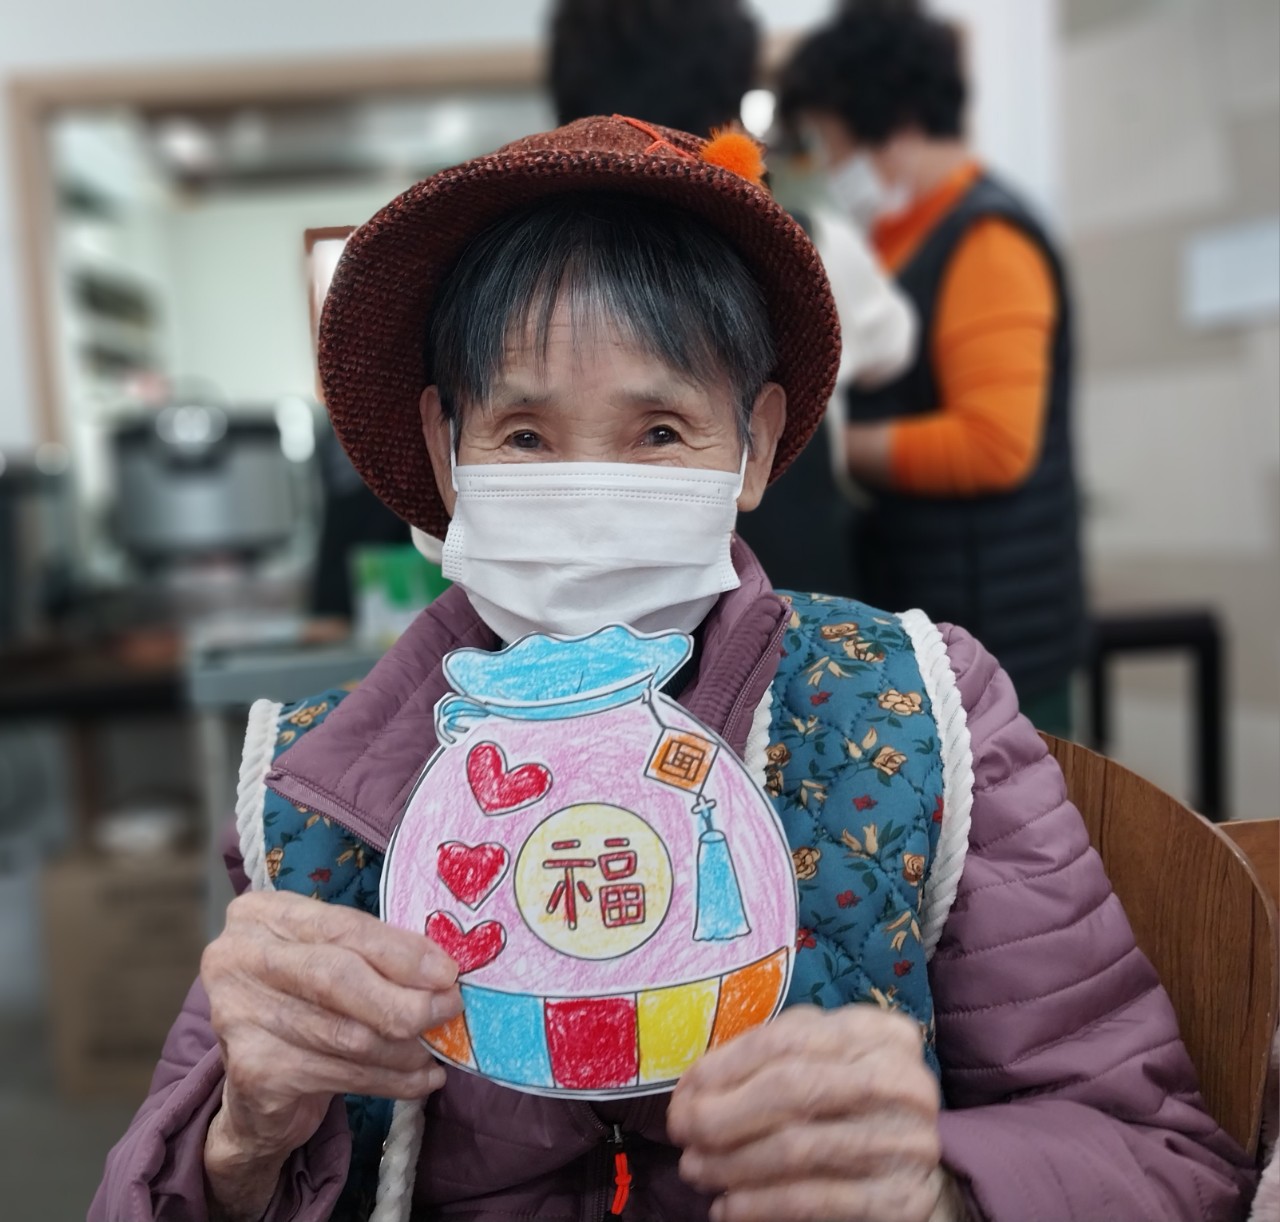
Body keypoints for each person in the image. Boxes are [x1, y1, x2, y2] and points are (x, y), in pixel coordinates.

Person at [91, 117, 1252, 1222]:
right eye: (525, 437)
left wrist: (935, 1190)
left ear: (753, 443)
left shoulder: (918, 716)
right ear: (448, 449)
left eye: (657, 432)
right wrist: (239, 1144)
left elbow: (1159, 1156)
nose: (588, 488)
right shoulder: (309, 796)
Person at [778, 0, 1086, 737]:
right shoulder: (899, 239)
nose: (827, 166)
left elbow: (993, 445)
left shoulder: (986, 240)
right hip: (936, 623)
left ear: (891, 121)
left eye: (829, 141)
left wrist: (827, 451)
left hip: (1003, 641)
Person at [549, 0, 917, 597]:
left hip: (580, 617)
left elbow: (440, 535)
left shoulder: (522, 269)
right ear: (729, 102)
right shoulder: (810, 244)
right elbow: (893, 347)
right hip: (795, 605)